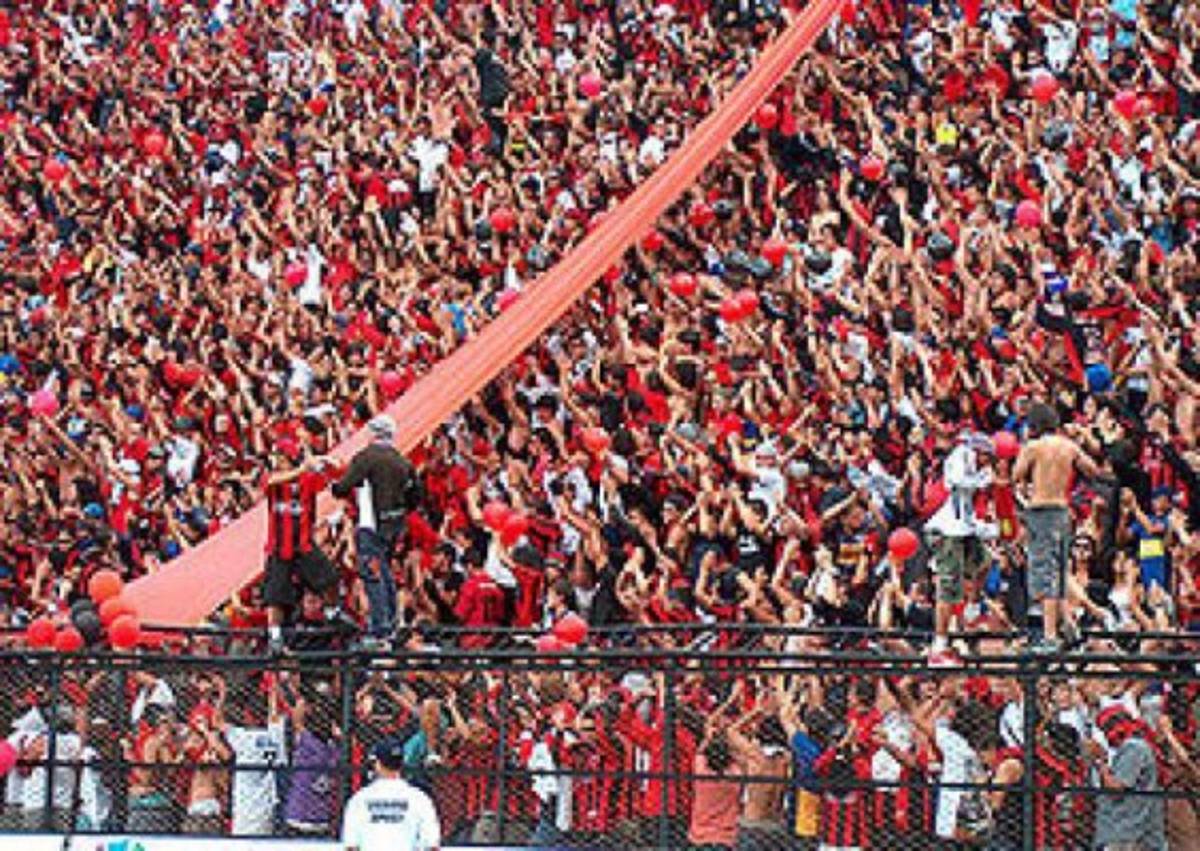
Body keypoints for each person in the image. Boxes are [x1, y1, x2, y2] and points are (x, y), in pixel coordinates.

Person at [1013, 403, 1105, 653]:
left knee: (1046, 573)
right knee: (1061, 569)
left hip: (1041, 510)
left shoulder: (1034, 447)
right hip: (1063, 511)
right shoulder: (1069, 446)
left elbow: (1016, 474)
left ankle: (1050, 635)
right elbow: (1093, 470)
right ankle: (1069, 625)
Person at [332, 414, 422, 647]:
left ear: (373, 433)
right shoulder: (404, 462)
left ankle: (381, 628)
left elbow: (343, 487)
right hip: (394, 527)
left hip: (371, 526)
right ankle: (392, 622)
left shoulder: (366, 458)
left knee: (372, 573)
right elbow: (416, 497)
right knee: (384, 571)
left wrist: (334, 485)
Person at [924, 433, 998, 659]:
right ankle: (939, 642)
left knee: (985, 560)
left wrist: (984, 528)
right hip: (945, 532)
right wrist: (980, 479)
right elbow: (955, 484)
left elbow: (965, 508)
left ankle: (972, 608)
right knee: (948, 588)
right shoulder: (959, 459)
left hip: (962, 529)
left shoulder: (979, 470)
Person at [262, 438, 338, 653]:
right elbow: (269, 482)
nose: (275, 460)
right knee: (274, 596)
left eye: (279, 456)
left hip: (304, 545)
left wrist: (327, 463)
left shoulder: (308, 480)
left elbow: (334, 479)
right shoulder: (273, 479)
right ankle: (275, 637)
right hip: (279, 547)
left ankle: (333, 614)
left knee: (331, 578)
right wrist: (302, 469)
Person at [1085, 707, 1166, 851]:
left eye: (1106, 729)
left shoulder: (1134, 747)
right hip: (1128, 831)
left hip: (1127, 832)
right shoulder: (1129, 748)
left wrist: (1100, 761)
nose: (1106, 735)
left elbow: (1116, 787)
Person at [341, 738, 441, 851]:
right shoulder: (420, 798)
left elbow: (351, 846)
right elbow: (432, 845)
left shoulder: (359, 800)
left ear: (377, 764)